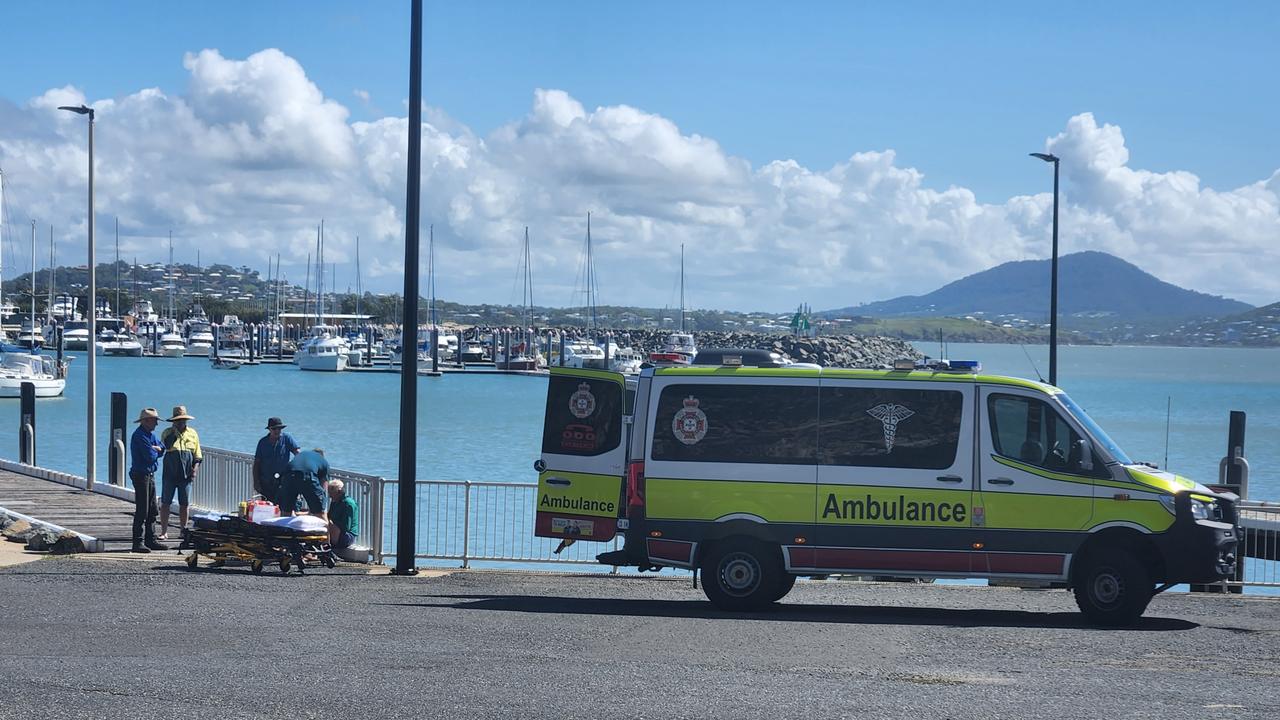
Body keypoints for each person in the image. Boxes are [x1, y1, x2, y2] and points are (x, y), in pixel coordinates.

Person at [157, 405, 202, 540]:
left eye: (183, 420)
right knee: (166, 503)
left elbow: (197, 455)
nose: (180, 423)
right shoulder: (167, 433)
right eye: (177, 420)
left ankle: (183, 530)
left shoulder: (193, 433)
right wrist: (175, 432)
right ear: (173, 421)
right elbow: (167, 446)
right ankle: (164, 531)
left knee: (184, 503)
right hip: (170, 473)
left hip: (186, 474)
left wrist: (195, 469)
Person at [128, 407, 167, 553]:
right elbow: (149, 456)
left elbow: (163, 447)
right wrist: (156, 450)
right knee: (142, 510)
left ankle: (151, 539)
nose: (156, 424)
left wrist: (156, 449)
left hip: (149, 475)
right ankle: (137, 542)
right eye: (155, 420)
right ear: (146, 421)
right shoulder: (139, 435)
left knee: (152, 509)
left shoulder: (150, 435)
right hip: (141, 475)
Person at [252, 417, 299, 510]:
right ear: (269, 429)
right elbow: (256, 463)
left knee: (284, 507)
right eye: (274, 428)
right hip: (266, 483)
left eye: (279, 428)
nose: (277, 431)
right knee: (267, 508)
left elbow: (298, 453)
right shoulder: (262, 442)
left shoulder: (287, 438)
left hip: (283, 481)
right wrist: (256, 482)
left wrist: (296, 467)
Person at [282, 448, 330, 518]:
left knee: (286, 512)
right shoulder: (323, 461)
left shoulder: (303, 454)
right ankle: (323, 525)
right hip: (308, 476)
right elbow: (323, 487)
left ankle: (283, 527)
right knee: (320, 513)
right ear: (322, 456)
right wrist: (318, 503)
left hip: (289, 474)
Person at [326, 479, 358, 550]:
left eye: (332, 493)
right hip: (335, 532)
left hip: (346, 536)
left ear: (339, 492)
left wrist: (331, 523)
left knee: (329, 524)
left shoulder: (348, 504)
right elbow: (329, 516)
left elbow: (346, 527)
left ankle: (329, 545)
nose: (330, 496)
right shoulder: (335, 501)